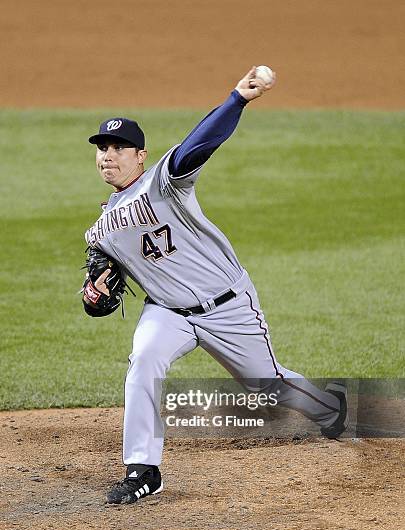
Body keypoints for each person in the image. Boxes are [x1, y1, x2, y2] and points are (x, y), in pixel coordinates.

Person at [83, 67, 348, 505]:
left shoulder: (165, 182)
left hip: (227, 305)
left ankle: (331, 408)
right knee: (144, 360)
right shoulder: (101, 229)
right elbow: (100, 295)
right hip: (167, 311)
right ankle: (143, 469)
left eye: (118, 147)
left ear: (140, 155)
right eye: (101, 148)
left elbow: (199, 143)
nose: (107, 155)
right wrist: (94, 297)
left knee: (268, 384)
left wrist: (236, 100)